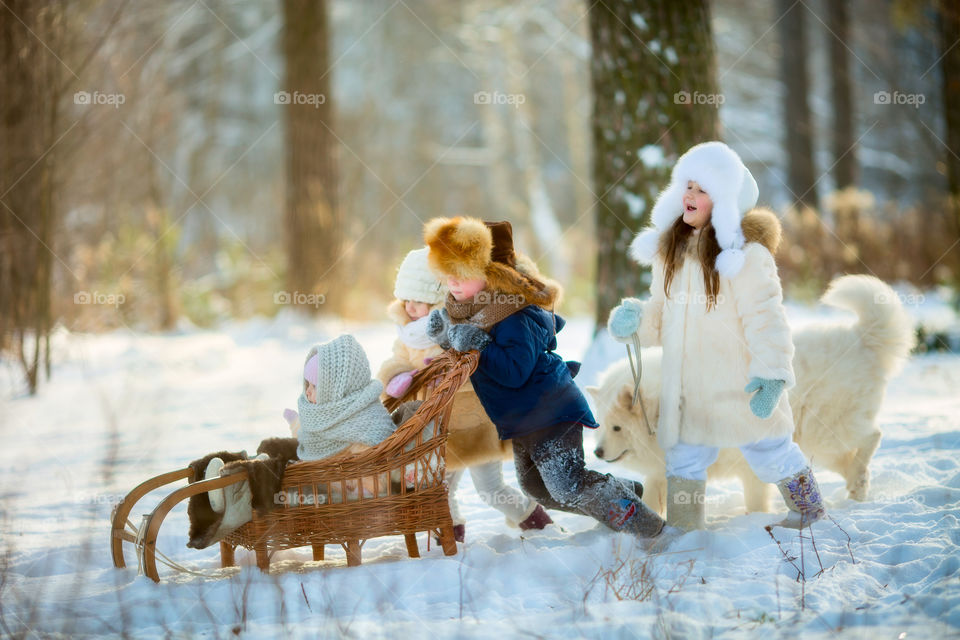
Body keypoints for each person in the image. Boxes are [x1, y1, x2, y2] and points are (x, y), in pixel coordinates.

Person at [608, 141, 825, 530]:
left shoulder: (745, 257)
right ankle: (684, 530)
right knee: (683, 458)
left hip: (739, 382)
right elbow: (660, 313)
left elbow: (767, 318)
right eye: (687, 185)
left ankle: (810, 511)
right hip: (689, 386)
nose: (690, 195)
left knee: (770, 448)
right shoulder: (669, 252)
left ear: (724, 202)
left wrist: (772, 374)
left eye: (702, 189)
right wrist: (636, 320)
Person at [424, 217, 665, 538]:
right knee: (539, 490)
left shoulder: (514, 314)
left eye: (462, 273)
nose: (452, 282)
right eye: (447, 274)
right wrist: (447, 337)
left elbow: (513, 371)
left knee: (567, 486)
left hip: (551, 413)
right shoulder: (473, 311)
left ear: (492, 274)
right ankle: (622, 493)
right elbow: (469, 355)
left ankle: (650, 530)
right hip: (522, 421)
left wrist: (478, 342)